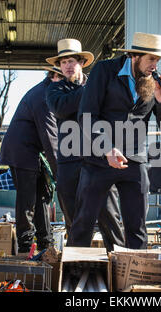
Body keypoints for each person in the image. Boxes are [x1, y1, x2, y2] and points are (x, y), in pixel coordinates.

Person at [67, 32, 161, 249]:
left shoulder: (155, 81)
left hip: (134, 159)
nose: (155, 65)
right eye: (151, 59)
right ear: (134, 56)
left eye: (158, 60)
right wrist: (107, 149)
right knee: (83, 223)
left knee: (137, 227)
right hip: (99, 158)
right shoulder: (104, 70)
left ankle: (134, 277)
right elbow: (87, 115)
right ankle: (73, 275)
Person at [46, 38, 125, 251]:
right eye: (63, 63)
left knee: (110, 217)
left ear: (82, 62)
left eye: (72, 60)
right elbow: (62, 108)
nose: (68, 66)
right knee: (75, 221)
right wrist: (92, 90)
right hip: (70, 163)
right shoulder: (55, 90)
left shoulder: (97, 84)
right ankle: (77, 269)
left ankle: (119, 265)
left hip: (99, 160)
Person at [0, 65, 64, 253]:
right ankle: (25, 246)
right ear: (53, 76)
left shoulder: (51, 93)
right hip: (22, 151)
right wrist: (61, 174)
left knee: (42, 196)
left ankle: (46, 243)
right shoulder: (43, 96)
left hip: (34, 151)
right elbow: (50, 136)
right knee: (27, 200)